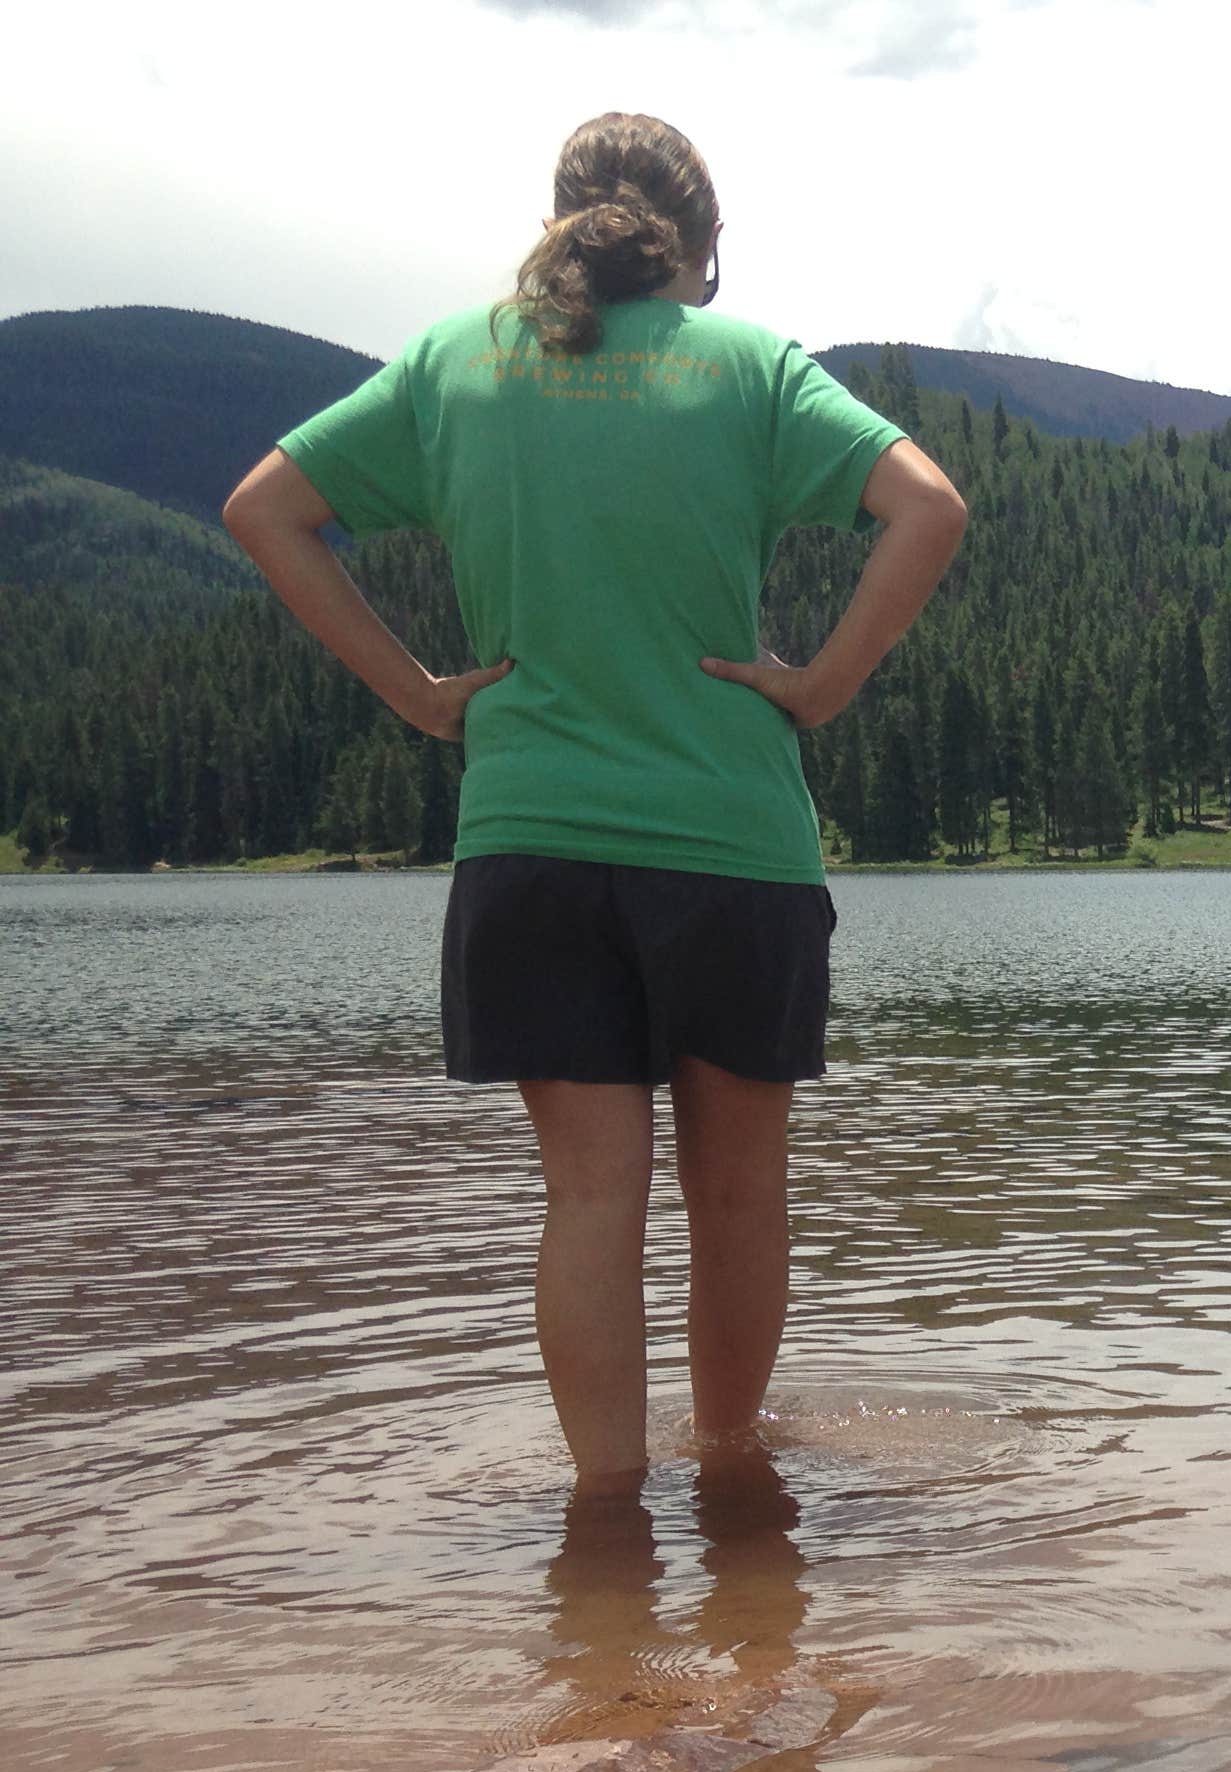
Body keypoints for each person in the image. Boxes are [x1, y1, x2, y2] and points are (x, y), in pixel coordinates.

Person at [223, 113, 966, 1496]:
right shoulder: (750, 367)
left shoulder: (460, 360)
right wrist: (820, 689)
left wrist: (419, 693)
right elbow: (928, 505)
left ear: (563, 220)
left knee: (587, 1201)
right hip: (735, 849)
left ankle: (607, 1533)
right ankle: (737, 1487)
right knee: (737, 1200)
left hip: (532, 847)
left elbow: (263, 508)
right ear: (705, 247)